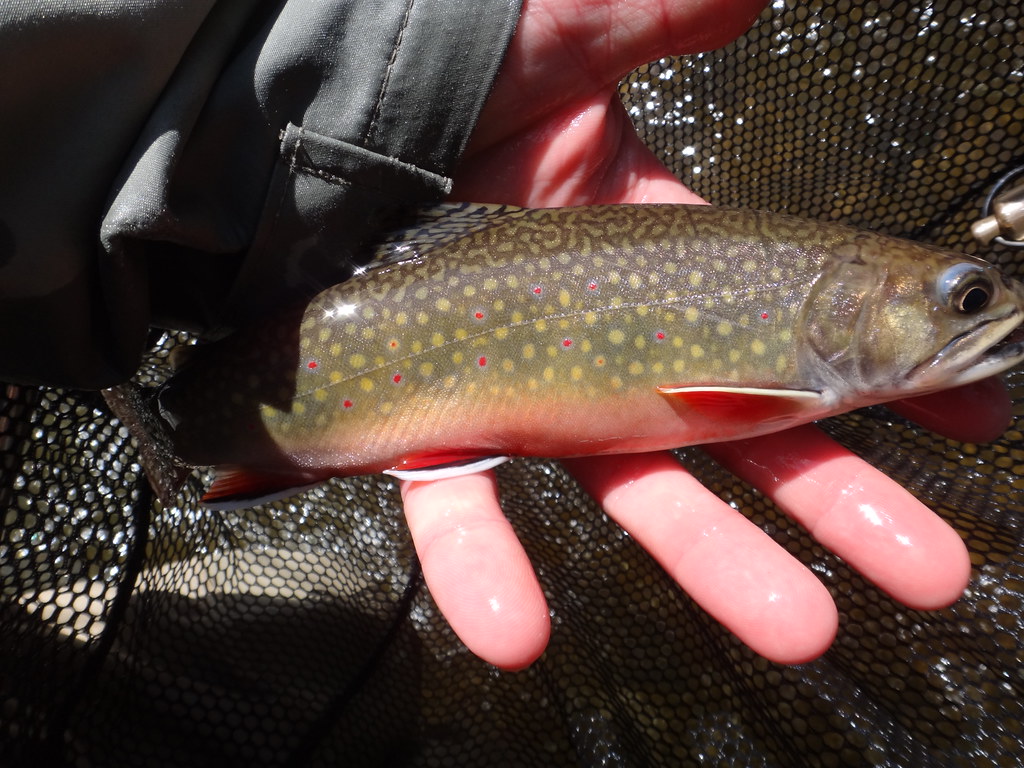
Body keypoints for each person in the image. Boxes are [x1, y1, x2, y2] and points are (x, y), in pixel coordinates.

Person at [0, 0, 1008, 674]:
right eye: (965, 299)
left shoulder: (797, 298)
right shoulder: (790, 354)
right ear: (844, 298)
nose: (990, 314)